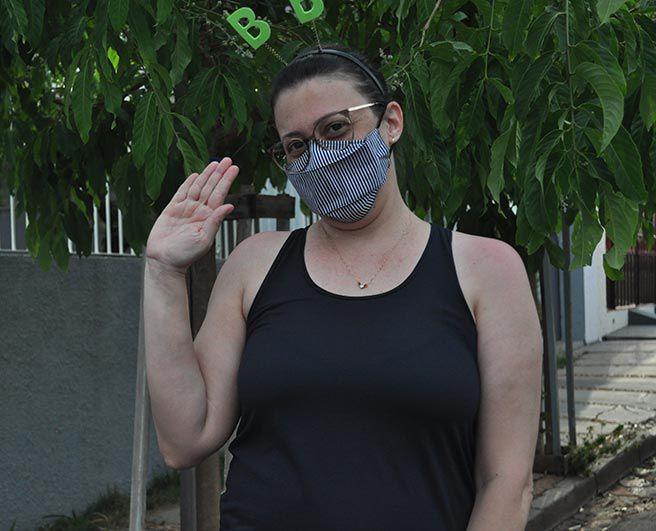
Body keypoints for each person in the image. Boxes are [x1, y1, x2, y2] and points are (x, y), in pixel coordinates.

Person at [143, 42, 543, 531]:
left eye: (335, 128)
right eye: (296, 145)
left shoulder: (488, 270)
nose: (319, 156)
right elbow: (185, 439)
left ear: (390, 122)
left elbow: (507, 482)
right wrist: (164, 271)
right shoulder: (255, 265)